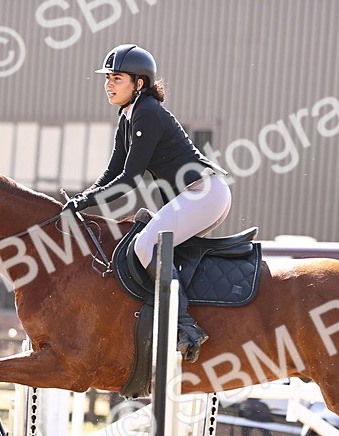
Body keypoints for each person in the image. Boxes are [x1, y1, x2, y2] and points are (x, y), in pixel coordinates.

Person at [68, 43, 231, 362]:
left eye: (117, 78)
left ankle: (185, 327)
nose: (109, 84)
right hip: (200, 195)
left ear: (139, 83)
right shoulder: (128, 116)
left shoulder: (147, 112)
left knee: (145, 246)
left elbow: (129, 179)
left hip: (203, 194)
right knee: (152, 244)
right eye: (107, 78)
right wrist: (81, 198)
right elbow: (112, 172)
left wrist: (87, 201)